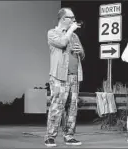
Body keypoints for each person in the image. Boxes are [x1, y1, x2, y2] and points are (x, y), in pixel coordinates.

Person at [44, 7, 85, 147]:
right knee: (57, 106)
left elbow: (82, 55)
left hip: (74, 77)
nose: (74, 20)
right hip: (59, 77)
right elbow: (62, 43)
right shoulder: (52, 33)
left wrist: (81, 51)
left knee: (72, 107)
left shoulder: (75, 36)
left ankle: (69, 136)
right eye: (71, 18)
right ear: (63, 19)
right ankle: (50, 136)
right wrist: (70, 30)